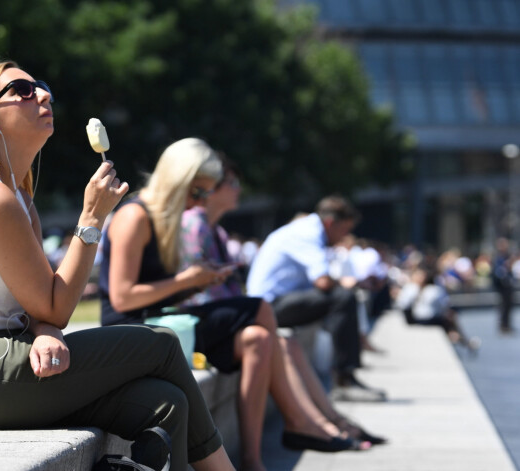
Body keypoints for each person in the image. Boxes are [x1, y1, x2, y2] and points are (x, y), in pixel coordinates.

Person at [0, 61, 234, 471]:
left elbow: (40, 304)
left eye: (41, 86)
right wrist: (91, 219)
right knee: (160, 343)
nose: (42, 94)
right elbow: (57, 304)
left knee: (167, 403)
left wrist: (44, 331)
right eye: (21, 90)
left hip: (0, 362)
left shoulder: (18, 199)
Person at [100, 139, 368, 471]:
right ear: (178, 180)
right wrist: (187, 281)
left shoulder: (162, 220)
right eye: (197, 193)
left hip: (160, 321)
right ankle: (298, 421)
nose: (198, 204)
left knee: (258, 338)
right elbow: (123, 297)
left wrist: (195, 282)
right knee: (259, 309)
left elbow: (156, 294)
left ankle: (253, 460)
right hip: (131, 331)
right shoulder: (134, 216)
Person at [179, 157, 387, 446]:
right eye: (233, 182)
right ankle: (313, 416)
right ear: (208, 188)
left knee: (282, 341)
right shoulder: (195, 223)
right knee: (334, 301)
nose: (239, 189)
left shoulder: (216, 229)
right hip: (250, 310)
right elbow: (323, 283)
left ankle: (325, 420)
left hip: (245, 311)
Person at [246, 196, 386, 402]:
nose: (344, 237)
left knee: (342, 297)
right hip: (267, 307)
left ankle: (344, 375)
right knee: (343, 298)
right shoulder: (308, 233)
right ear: (330, 223)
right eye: (344, 230)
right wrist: (348, 283)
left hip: (273, 302)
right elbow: (323, 282)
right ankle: (345, 379)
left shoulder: (306, 230)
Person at [395, 266, 481, 353]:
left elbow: (402, 304)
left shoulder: (411, 288)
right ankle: (463, 341)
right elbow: (444, 305)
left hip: (413, 318)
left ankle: (462, 340)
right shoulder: (431, 289)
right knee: (449, 320)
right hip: (424, 319)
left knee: (448, 322)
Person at [492, 237, 515, 334]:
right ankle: (503, 325)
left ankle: (507, 324)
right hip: (501, 285)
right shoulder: (498, 258)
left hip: (508, 285)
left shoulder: (508, 256)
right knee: (503, 306)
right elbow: (497, 272)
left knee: (509, 305)